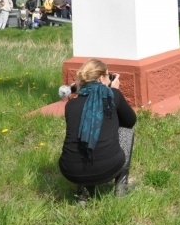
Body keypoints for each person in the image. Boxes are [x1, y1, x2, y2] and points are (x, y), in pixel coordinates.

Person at [59, 59, 137, 204]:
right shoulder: (113, 95)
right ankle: (121, 186)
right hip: (108, 169)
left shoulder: (70, 105)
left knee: (81, 135)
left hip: (70, 171)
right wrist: (115, 91)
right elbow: (130, 121)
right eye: (108, 75)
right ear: (101, 78)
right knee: (127, 131)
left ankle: (83, 193)